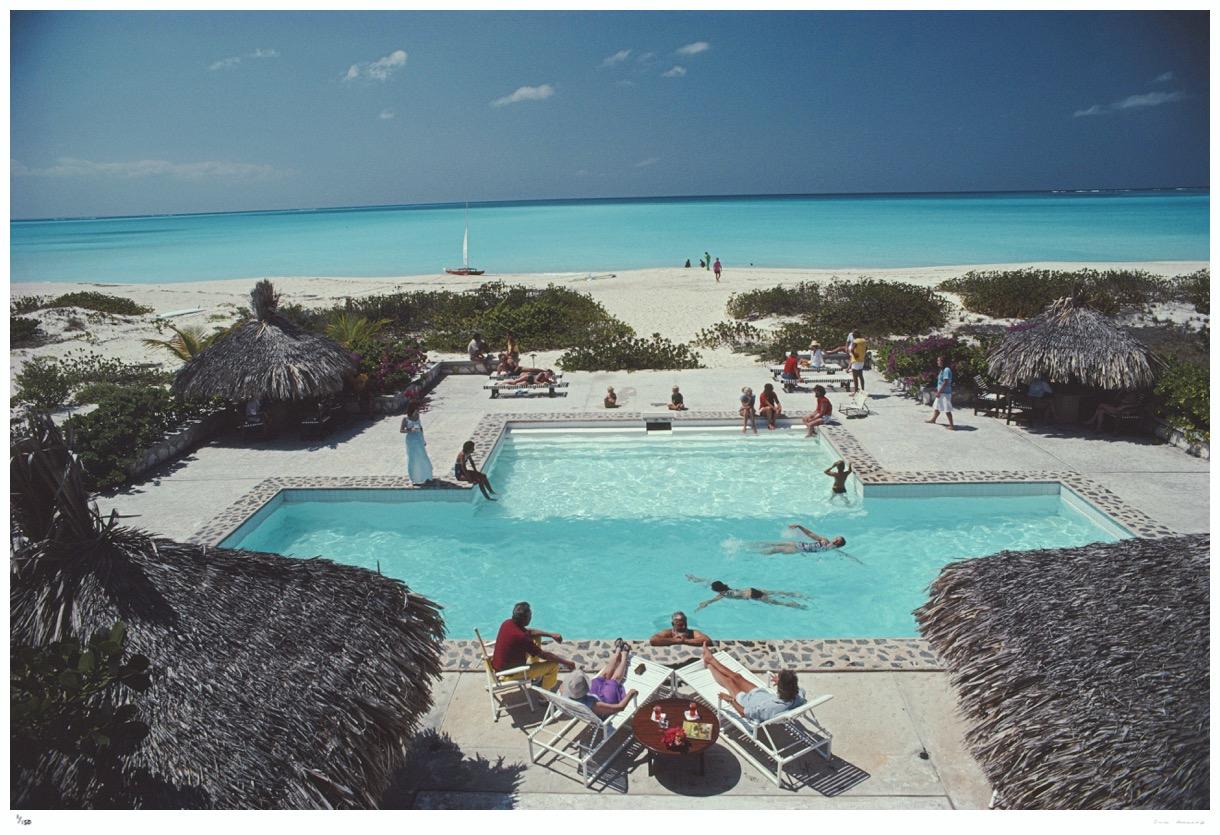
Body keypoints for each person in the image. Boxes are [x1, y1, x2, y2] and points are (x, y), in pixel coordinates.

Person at [699, 644, 805, 722]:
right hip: (760, 694)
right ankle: (710, 659)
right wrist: (781, 682)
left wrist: (730, 700)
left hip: (745, 701)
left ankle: (708, 664)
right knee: (737, 677)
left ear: (782, 688)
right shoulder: (798, 696)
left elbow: (743, 713)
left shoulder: (768, 708)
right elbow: (801, 690)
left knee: (728, 681)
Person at [492, 601, 575, 691]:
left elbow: (530, 632)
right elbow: (545, 655)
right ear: (524, 619)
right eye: (530, 616)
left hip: (499, 667)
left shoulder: (508, 623)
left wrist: (550, 635)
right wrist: (567, 663)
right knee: (554, 665)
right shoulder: (521, 637)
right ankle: (544, 697)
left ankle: (536, 676)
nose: (531, 618)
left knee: (536, 637)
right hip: (509, 674)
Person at [559, 648, 638, 717]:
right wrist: (631, 693)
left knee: (602, 676)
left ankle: (618, 652)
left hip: (589, 694)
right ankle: (624, 655)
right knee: (613, 680)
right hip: (605, 701)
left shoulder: (563, 690)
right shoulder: (594, 705)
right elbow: (620, 707)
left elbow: (567, 686)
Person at [686, 576, 810, 610]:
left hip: (753, 595)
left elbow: (713, 599)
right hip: (751, 589)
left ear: (718, 590)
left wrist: (704, 604)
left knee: (777, 602)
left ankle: (797, 605)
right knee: (776, 592)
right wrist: (695, 579)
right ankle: (798, 595)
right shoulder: (726, 588)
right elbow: (709, 581)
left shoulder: (724, 594)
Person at [757, 525, 852, 559]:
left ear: (838, 543)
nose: (835, 538)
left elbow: (843, 554)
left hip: (798, 550)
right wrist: (800, 526)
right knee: (772, 543)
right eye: (836, 538)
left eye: (837, 539)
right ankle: (754, 546)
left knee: (776, 549)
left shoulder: (831, 548)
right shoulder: (825, 541)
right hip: (799, 544)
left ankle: (757, 554)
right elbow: (811, 534)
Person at [399, 401, 433, 483]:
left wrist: (423, 439)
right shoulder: (405, 419)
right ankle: (414, 478)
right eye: (416, 409)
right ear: (412, 410)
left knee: (423, 457)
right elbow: (401, 430)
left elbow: (421, 428)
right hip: (410, 440)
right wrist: (410, 430)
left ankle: (425, 476)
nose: (417, 411)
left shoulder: (418, 416)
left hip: (418, 439)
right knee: (413, 459)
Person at [925, 355, 955, 430]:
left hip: (945, 393)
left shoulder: (946, 370)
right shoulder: (943, 369)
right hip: (941, 392)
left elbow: (945, 382)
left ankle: (951, 425)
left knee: (947, 409)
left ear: (943, 362)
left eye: (939, 361)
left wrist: (939, 392)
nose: (937, 362)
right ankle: (933, 419)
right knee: (937, 406)